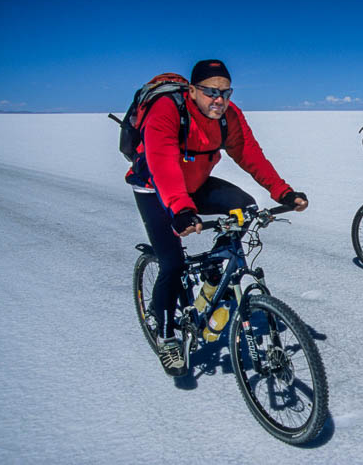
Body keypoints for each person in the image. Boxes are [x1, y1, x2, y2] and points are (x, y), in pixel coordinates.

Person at [126, 59, 308, 376]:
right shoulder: (167, 110)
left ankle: (214, 274)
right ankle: (167, 336)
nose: (219, 100)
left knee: (245, 207)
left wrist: (283, 193)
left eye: (225, 92)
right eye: (211, 92)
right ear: (192, 91)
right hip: (155, 188)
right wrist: (181, 210)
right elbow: (163, 164)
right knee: (172, 264)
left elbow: (250, 153)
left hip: (194, 185)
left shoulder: (229, 116)